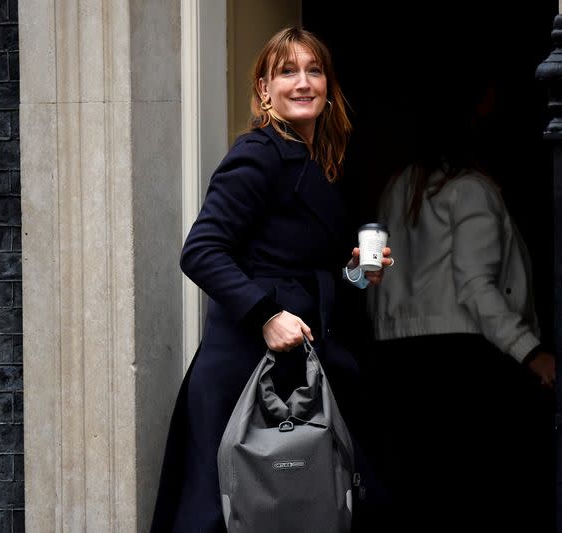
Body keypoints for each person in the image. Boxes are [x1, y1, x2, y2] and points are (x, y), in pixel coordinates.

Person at [149, 27, 391, 533]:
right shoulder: (258, 152)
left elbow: (307, 273)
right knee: (230, 513)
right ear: (264, 90)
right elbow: (200, 251)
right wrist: (266, 315)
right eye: (287, 72)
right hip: (246, 369)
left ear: (328, 85)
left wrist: (353, 273)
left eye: (314, 70)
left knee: (311, 507)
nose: (303, 82)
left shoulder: (319, 163)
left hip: (299, 363)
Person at [364, 74, 557, 532]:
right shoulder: (469, 189)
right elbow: (474, 284)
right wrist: (531, 352)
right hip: (460, 368)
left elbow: (375, 279)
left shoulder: (398, 187)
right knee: (470, 497)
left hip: (399, 363)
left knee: (419, 495)